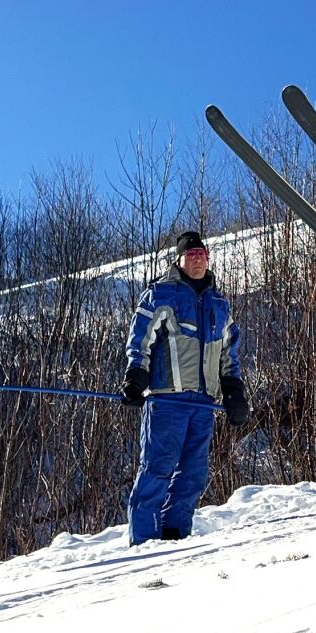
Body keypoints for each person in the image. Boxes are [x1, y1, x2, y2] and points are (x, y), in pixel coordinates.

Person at [120, 230, 249, 545]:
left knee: (193, 474)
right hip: (167, 401)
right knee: (157, 470)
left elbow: (229, 350)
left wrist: (233, 388)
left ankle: (175, 535)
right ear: (179, 260)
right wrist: (136, 373)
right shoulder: (161, 295)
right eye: (191, 255)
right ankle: (144, 541)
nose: (198, 261)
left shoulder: (219, 304)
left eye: (202, 255)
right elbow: (141, 337)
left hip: (204, 404)